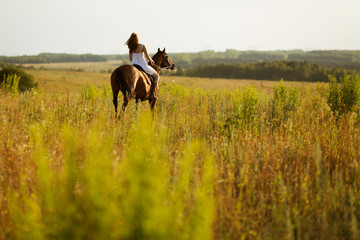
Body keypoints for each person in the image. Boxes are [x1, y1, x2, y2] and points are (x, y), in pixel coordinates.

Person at [126, 33, 159, 101]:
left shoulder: (131, 48)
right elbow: (147, 56)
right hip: (143, 65)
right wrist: (151, 61)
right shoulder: (142, 46)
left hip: (133, 65)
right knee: (156, 76)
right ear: (137, 39)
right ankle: (152, 94)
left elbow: (130, 59)